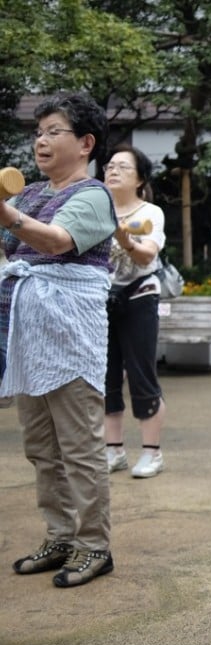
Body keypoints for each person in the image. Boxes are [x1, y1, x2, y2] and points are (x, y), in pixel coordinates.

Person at [1, 92, 116, 587]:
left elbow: (53, 241)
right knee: (41, 448)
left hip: (69, 336)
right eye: (38, 132)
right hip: (29, 335)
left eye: (54, 131)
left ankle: (94, 547)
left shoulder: (92, 195)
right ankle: (60, 535)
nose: (41, 141)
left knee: (80, 447)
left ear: (86, 143)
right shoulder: (26, 195)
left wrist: (4, 214)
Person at [102, 145, 169, 478]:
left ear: (140, 178)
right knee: (105, 375)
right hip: (102, 299)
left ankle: (152, 453)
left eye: (123, 167)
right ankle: (113, 451)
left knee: (141, 374)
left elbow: (145, 256)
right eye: (110, 166)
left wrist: (125, 239)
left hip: (140, 296)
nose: (112, 171)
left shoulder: (151, 213)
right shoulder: (96, 209)